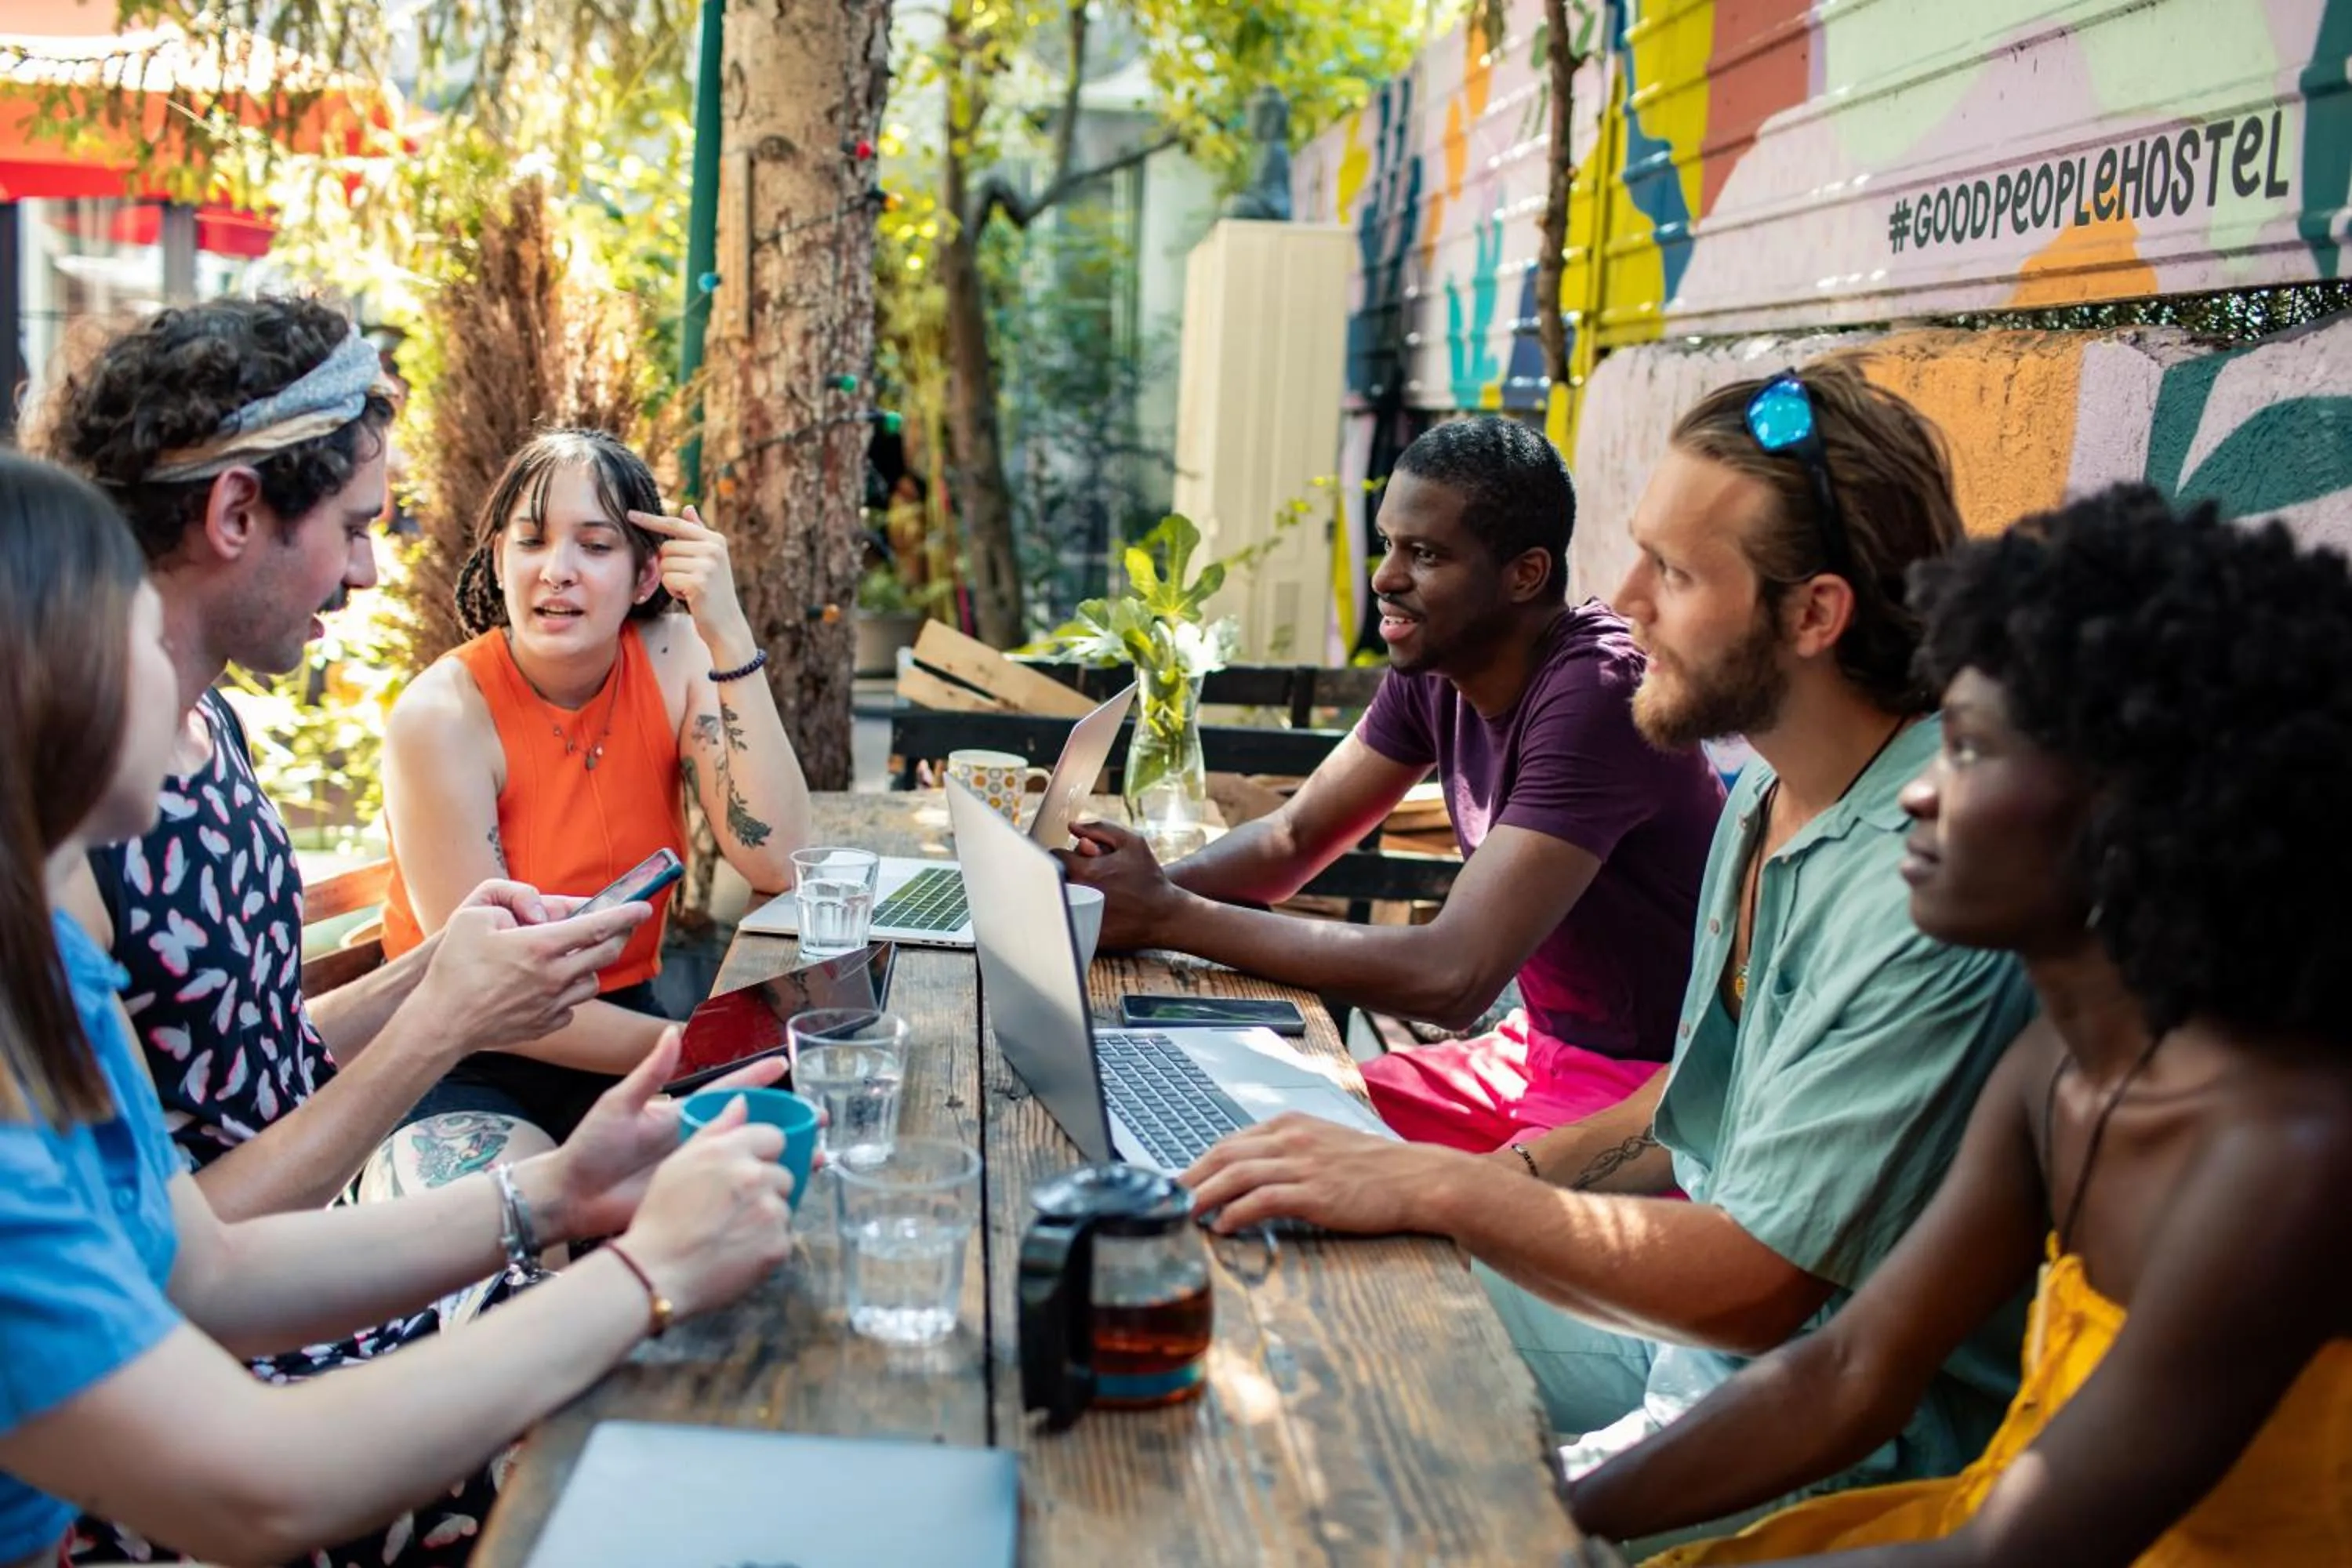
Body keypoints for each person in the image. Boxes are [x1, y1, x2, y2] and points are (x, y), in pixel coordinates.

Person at [1185, 364, 2038, 1530]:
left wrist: (1438, 1187)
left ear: (1813, 616)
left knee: (1355, 1489)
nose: (1625, 599)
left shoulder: (1924, 873)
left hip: (1825, 1454)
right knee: (1282, 1285)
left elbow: (1756, 1290)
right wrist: (1479, 1185)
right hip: (1686, 1355)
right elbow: (1686, 1111)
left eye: (1675, 573)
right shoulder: (1769, 796)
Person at [0, 449, 799, 1568]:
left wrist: (559, 1192)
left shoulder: (53, 976)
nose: (182, 674)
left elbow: (209, 1277)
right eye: (139, 635)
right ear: (39, 692)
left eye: (596, 543)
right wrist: (642, 1275)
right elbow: (257, 1490)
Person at [1569, 485, 2352, 1566]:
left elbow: (2017, 1556)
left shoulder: (2286, 1156)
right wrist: (1555, 1523)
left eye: (1970, 752)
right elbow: (1849, 1371)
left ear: (2129, 810)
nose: (1918, 797)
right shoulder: (2054, 1071)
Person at [31, 296, 647, 1221]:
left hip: (306, 1253)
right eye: (354, 529)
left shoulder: (210, 728)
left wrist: (441, 964)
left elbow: (253, 1061)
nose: (366, 571)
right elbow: (180, 1253)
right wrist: (444, 1023)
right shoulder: (69, 822)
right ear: (237, 510)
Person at [1062, 416, 1726, 1152]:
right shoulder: (1441, 666)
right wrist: (1116, 901)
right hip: (1528, 1054)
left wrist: (1165, 915)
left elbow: (1452, 975)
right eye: (1388, 545)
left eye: (1426, 554)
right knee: (1239, 1130)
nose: (1385, 577)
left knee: (1329, 1198)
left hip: (1651, 1094)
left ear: (1525, 574)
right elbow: (1293, 838)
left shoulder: (1600, 693)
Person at [375, 428, 813, 1172]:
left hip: (621, 1030)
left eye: (595, 546)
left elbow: (779, 857)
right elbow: (485, 996)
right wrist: (688, 1047)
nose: (557, 572)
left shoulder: (674, 655)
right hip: (460, 1055)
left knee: (763, 1179)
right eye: (532, 542)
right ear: (499, 559)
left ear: (648, 575)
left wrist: (728, 632)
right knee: (514, 1261)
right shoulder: (442, 717)